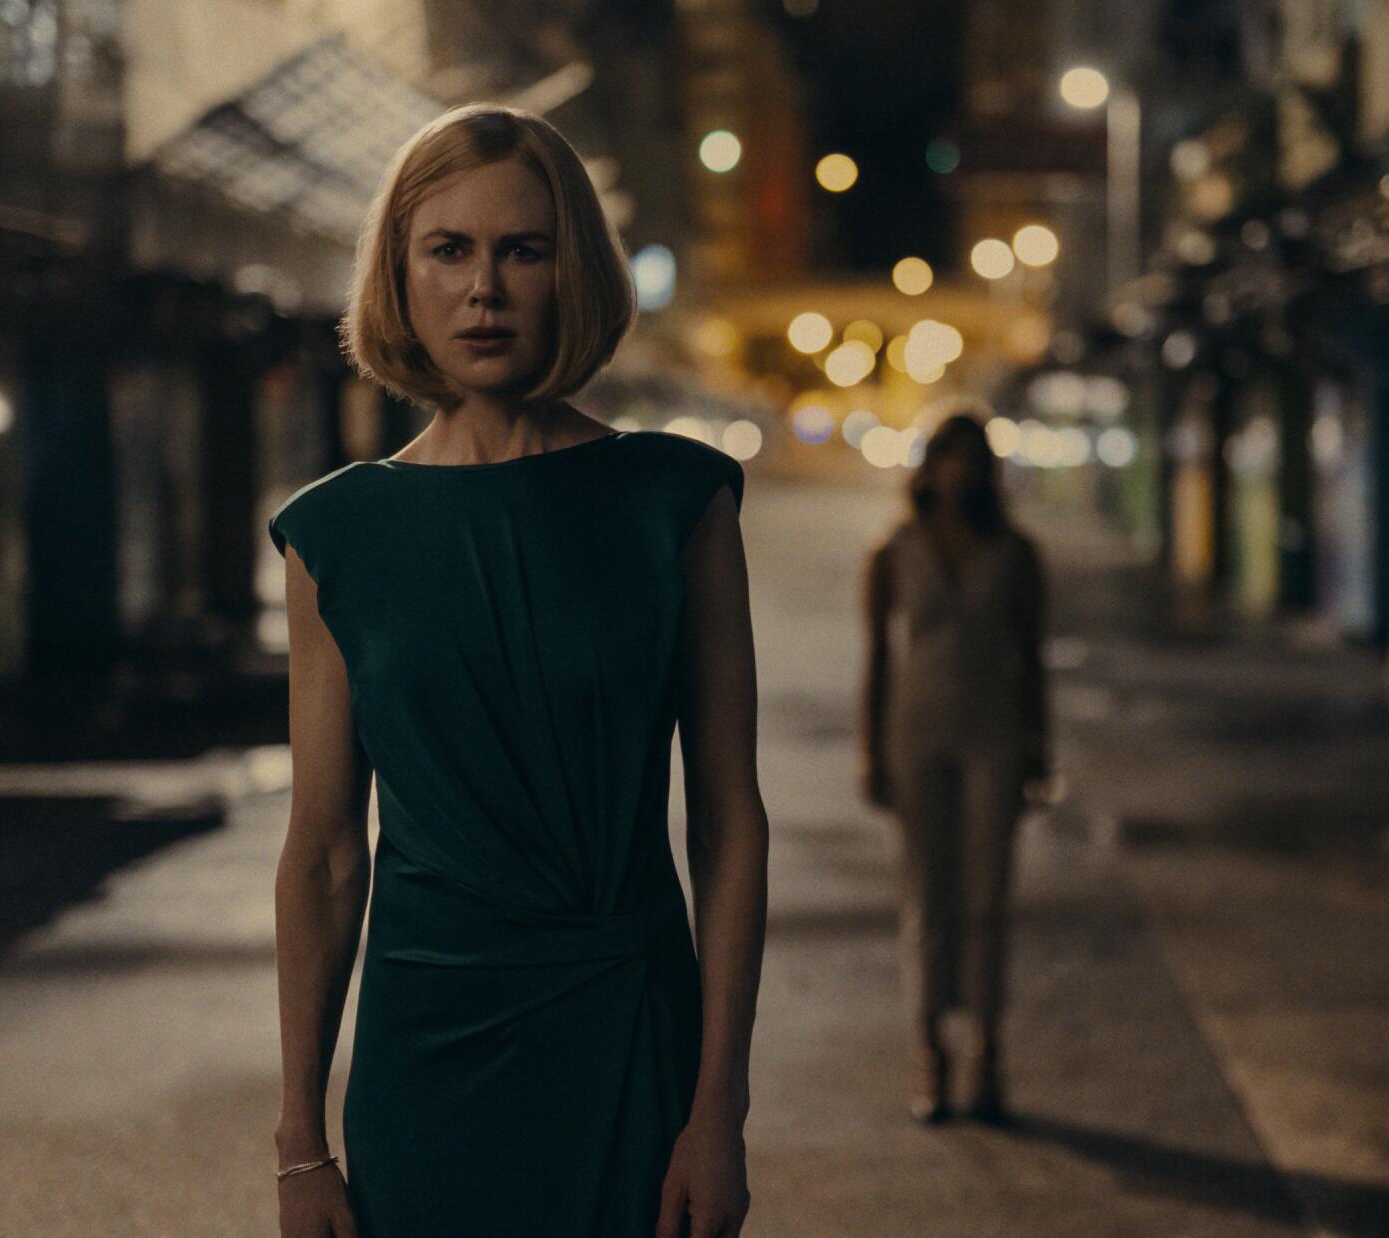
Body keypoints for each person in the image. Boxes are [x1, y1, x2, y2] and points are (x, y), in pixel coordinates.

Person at [268, 104, 766, 1238]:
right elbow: (325, 850)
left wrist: (718, 1112)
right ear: (400, 275)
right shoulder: (335, 535)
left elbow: (728, 820)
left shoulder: (672, 501)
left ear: (570, 270)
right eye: (448, 249)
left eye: (521, 249)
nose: (483, 287)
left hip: (630, 1039)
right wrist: (301, 1144)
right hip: (423, 1053)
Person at [859, 411, 1050, 1128]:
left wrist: (1041, 749)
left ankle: (989, 1055)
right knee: (926, 901)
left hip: (994, 737)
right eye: (951, 458)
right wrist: (868, 750)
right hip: (915, 736)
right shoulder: (894, 549)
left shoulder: (1016, 552)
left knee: (987, 899)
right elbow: (876, 656)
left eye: (976, 460)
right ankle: (930, 1055)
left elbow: (1033, 658)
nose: (963, 473)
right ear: (929, 465)